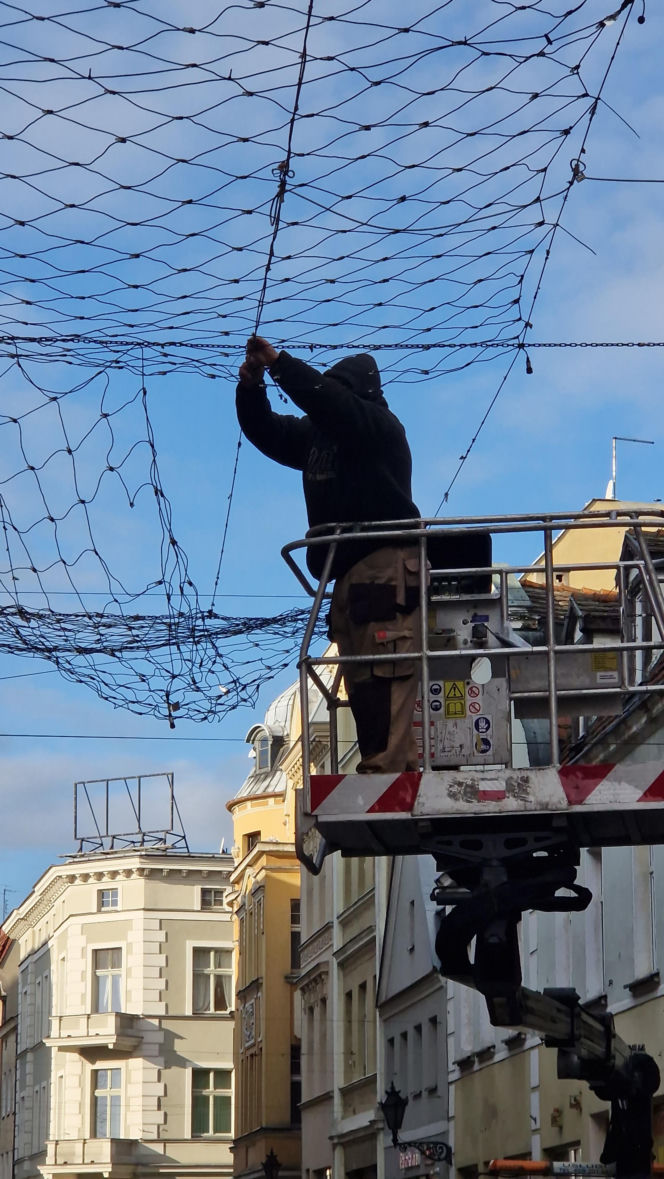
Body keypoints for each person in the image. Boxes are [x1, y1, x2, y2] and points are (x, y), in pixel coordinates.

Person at [236, 335, 423, 773]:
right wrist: (251, 389)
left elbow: (331, 405)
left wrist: (279, 364)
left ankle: (389, 767)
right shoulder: (323, 435)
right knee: (363, 677)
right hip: (350, 575)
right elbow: (270, 431)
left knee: (385, 667)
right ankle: (380, 763)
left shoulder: (376, 427)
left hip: (384, 565)